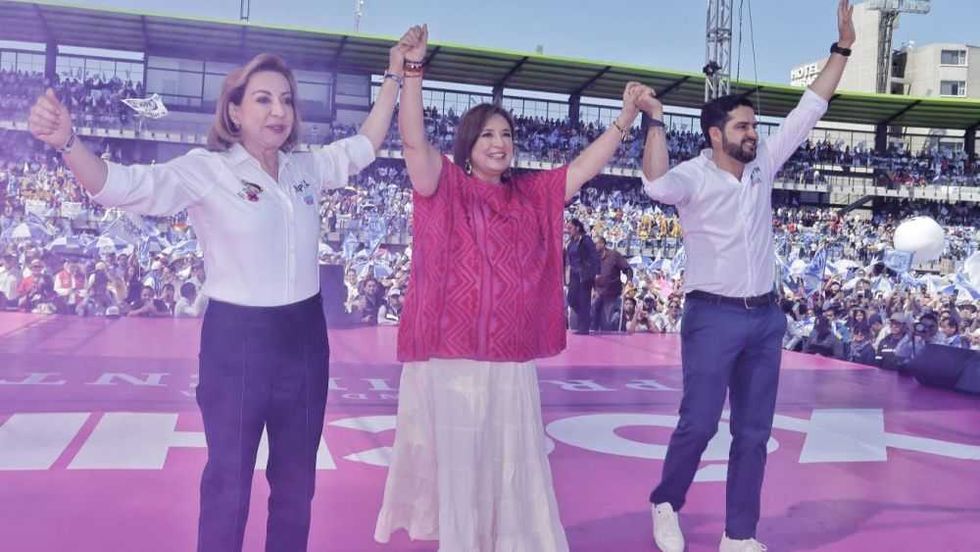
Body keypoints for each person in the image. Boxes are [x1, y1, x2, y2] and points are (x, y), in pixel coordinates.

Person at [29, 26, 415, 552]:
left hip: (304, 341)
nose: (278, 110)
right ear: (234, 111)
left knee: (296, 487)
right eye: (262, 99)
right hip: (237, 342)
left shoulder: (306, 169)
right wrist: (69, 144)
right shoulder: (206, 171)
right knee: (228, 485)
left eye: (285, 100)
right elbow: (120, 187)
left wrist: (395, 72)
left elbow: (367, 142)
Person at [374, 24, 651, 552]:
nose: (500, 144)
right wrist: (413, 72)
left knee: (510, 470)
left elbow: (584, 169)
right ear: (467, 146)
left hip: (509, 362)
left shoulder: (531, 194)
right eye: (488, 136)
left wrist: (624, 120)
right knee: (462, 471)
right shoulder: (442, 186)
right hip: (452, 360)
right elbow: (412, 139)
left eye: (506, 135)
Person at [638, 3, 856, 550]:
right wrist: (657, 121)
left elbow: (812, 106)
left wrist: (843, 47)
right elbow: (655, 184)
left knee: (754, 434)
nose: (754, 133)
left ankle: (739, 535)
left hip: (765, 318)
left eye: (755, 125)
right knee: (700, 423)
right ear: (716, 134)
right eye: (743, 126)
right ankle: (666, 501)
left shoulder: (764, 167)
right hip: (712, 316)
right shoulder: (691, 177)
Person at [565, 217, 599, 333]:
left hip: (584, 274)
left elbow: (594, 256)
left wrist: (595, 273)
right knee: (571, 299)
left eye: (570, 228)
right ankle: (586, 318)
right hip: (574, 274)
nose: (568, 230)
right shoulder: (571, 242)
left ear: (577, 228)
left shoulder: (586, 240)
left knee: (584, 300)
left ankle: (583, 327)